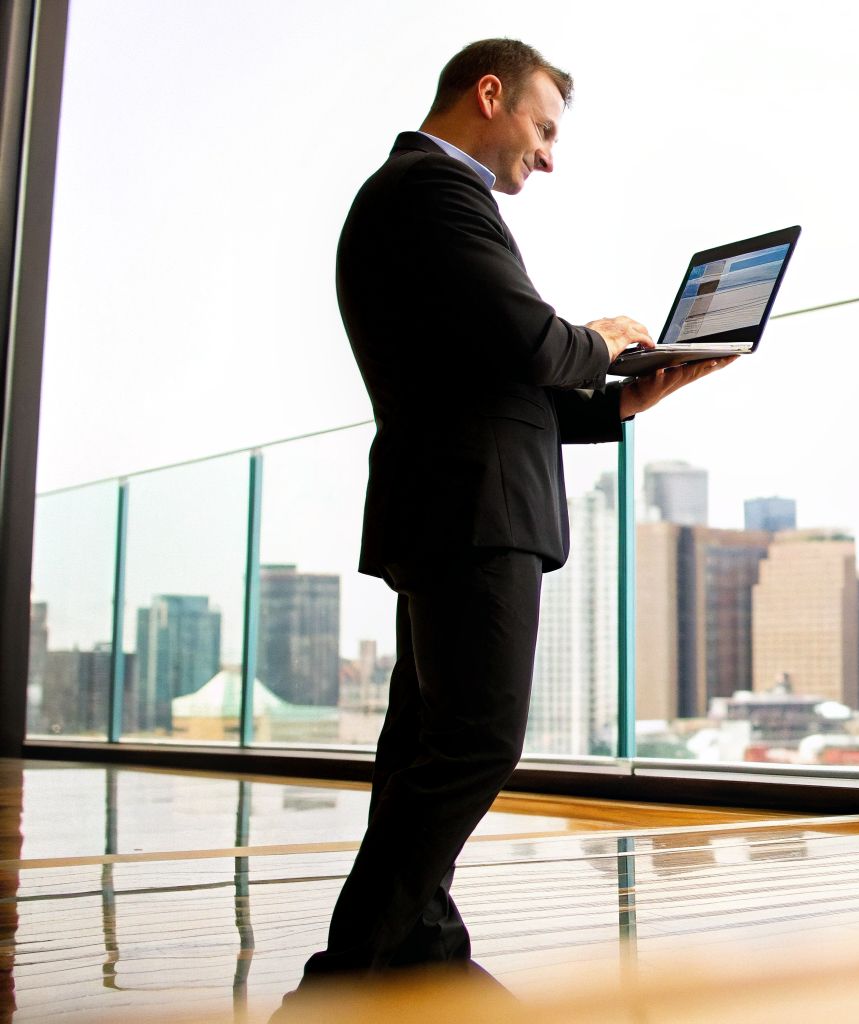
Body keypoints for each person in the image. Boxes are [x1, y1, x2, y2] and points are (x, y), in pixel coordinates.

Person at [302, 38, 730, 981]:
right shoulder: (432, 192)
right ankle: (347, 970)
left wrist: (621, 398)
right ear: (489, 96)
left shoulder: (418, 199)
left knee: (424, 746)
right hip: (472, 513)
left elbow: (486, 375)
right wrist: (606, 340)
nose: (548, 156)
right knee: (476, 743)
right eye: (542, 128)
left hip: (448, 504)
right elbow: (530, 341)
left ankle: (423, 944)